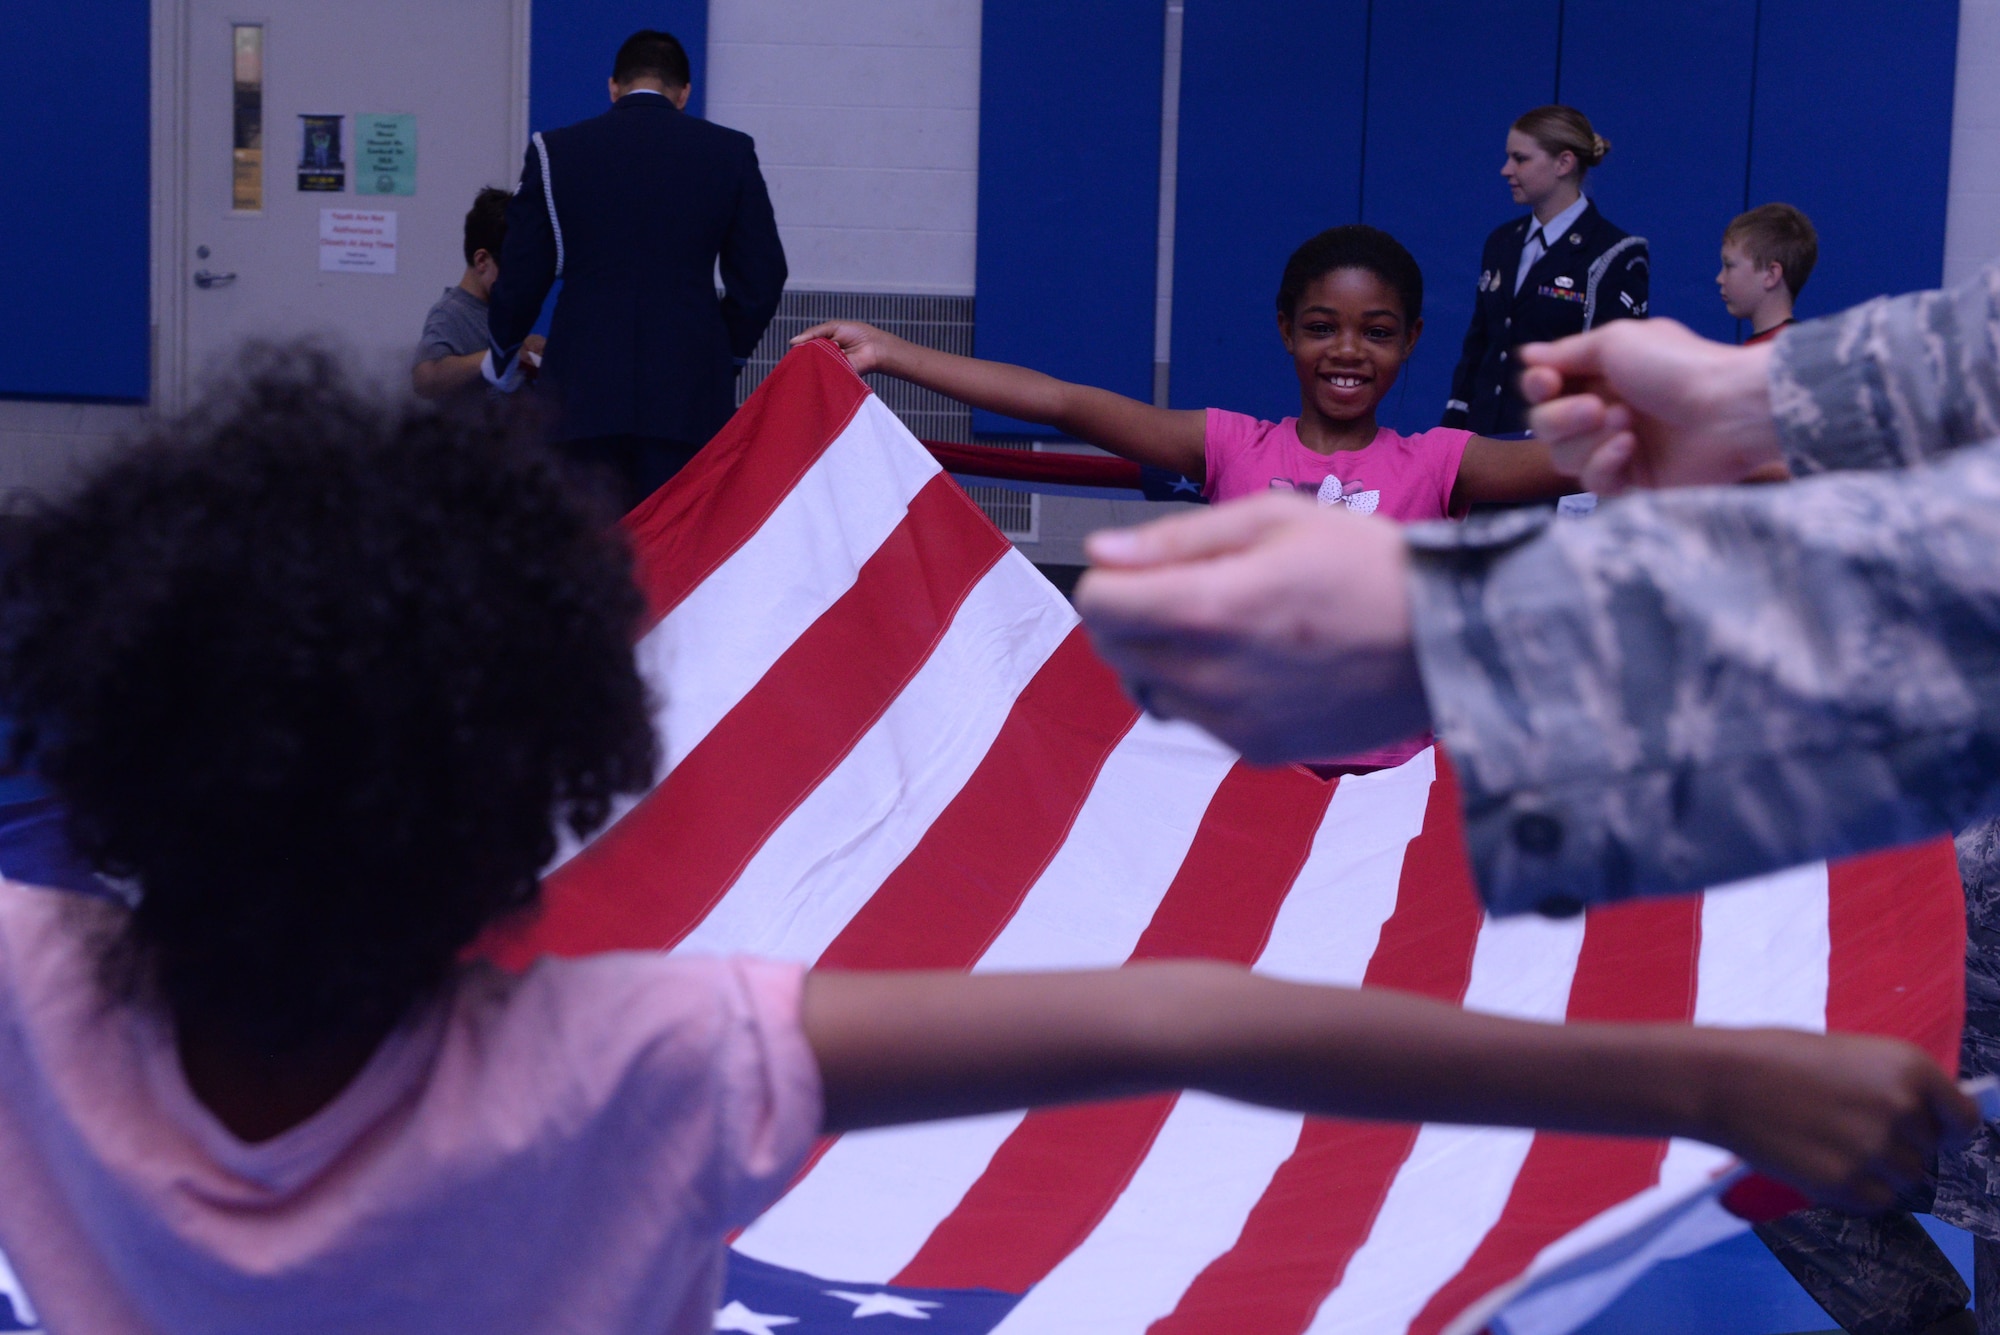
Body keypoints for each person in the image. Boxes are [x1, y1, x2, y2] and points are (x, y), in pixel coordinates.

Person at [0, 343, 1967, 1332]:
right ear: (533, 820)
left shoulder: (30, 991)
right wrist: (1708, 1069)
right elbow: (1197, 1018)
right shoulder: (639, 1058)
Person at [797, 225, 1579, 767]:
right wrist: (894, 351)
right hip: (1240, 777)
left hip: (1386, 789)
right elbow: (1063, 402)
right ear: (1285, 331)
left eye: (1376, 332)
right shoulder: (1232, 445)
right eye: (1321, 327)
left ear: (1411, 341)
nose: (1347, 351)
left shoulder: (1442, 463)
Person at [486, 29, 786, 512]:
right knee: (678, 560)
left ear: (613, 87)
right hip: (689, 396)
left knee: (589, 564)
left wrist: (502, 353)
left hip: (581, 393)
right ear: (683, 94)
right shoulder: (730, 153)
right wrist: (722, 357)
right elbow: (763, 279)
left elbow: (522, 273)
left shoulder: (554, 151)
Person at [1443, 106, 1648, 434]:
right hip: (1484, 438)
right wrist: (1454, 424)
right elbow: (1479, 345)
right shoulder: (1502, 242)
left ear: (1563, 163)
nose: (1505, 170)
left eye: (1520, 159)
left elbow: (1611, 366)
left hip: (1555, 447)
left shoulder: (1613, 251)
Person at [411, 187, 543, 406]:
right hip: (466, 439)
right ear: (482, 260)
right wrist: (491, 360)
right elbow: (424, 380)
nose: (522, 284)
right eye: (514, 272)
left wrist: (526, 350)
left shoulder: (501, 310)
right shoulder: (450, 312)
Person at [1718, 203, 1818, 345]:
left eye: (1729, 265)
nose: (1719, 279)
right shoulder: (1784, 349)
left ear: (1771, 275)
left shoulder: (1787, 353)